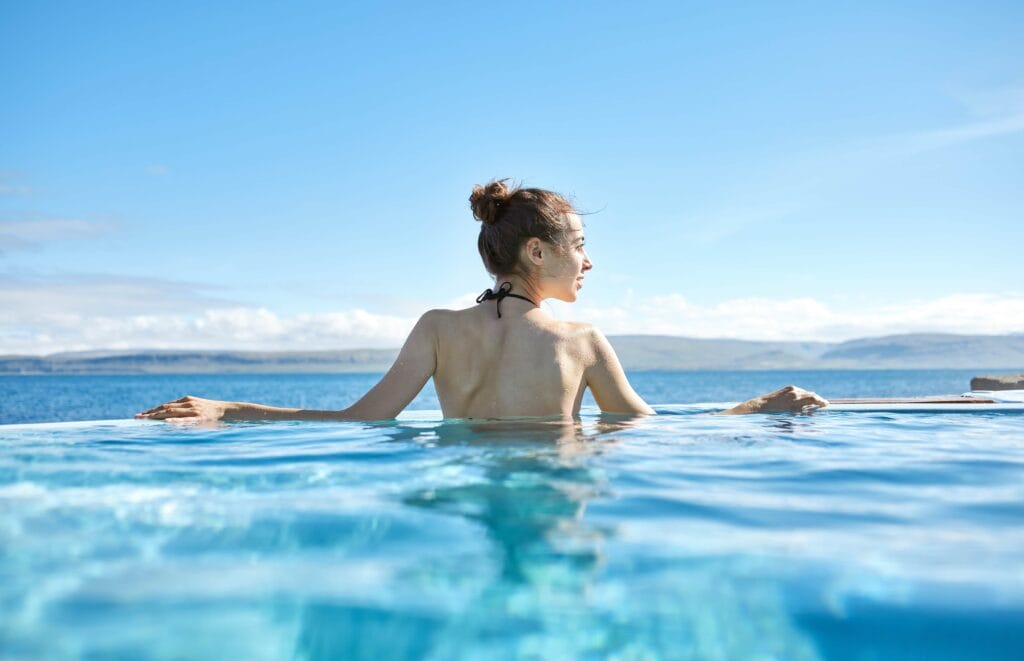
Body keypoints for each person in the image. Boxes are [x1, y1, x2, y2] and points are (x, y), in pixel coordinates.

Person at [136, 180, 827, 423]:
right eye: (578, 244)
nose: (589, 260)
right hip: (554, 511)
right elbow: (650, 429)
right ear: (534, 251)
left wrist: (227, 408)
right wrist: (757, 407)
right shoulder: (580, 340)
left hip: (467, 505)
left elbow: (357, 420)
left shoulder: (437, 329)